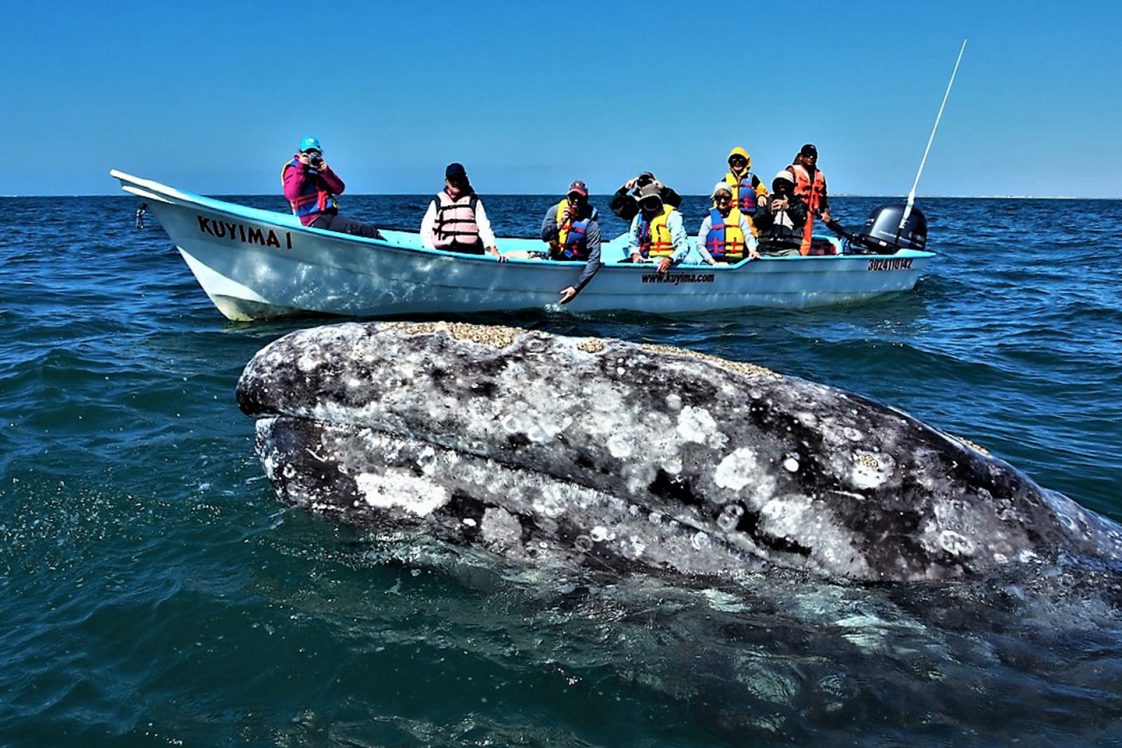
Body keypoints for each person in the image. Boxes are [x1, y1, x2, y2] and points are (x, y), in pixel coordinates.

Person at [281, 136, 383, 238]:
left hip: (329, 217)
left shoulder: (318, 169)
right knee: (362, 229)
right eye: (308, 152)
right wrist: (301, 167)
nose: (311, 156)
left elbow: (339, 189)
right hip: (314, 220)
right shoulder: (294, 170)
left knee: (367, 230)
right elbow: (291, 194)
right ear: (301, 154)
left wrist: (326, 172)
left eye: (315, 153)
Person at [538, 180, 603, 304]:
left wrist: (576, 288)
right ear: (567, 197)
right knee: (515, 255)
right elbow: (545, 236)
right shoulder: (555, 211)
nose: (576, 201)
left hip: (576, 262)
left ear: (586, 200)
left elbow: (595, 260)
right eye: (573, 197)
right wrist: (560, 224)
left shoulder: (591, 225)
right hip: (554, 257)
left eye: (580, 198)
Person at [420, 162, 500, 257]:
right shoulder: (437, 202)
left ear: (464, 179)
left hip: (469, 253)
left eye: (459, 179)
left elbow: (484, 228)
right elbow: (425, 230)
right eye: (452, 179)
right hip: (441, 252)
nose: (456, 182)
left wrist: (492, 248)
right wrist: (432, 252)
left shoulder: (473, 201)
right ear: (446, 181)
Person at [626, 183, 690, 273]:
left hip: (670, 259)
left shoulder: (672, 216)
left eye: (653, 200)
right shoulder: (638, 218)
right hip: (646, 259)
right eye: (647, 201)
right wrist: (635, 254)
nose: (650, 204)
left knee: (691, 261)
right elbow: (632, 243)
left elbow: (683, 245)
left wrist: (670, 259)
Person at [696, 183, 759, 265]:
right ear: (714, 199)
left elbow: (748, 236)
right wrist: (712, 262)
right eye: (718, 198)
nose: (722, 201)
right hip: (712, 261)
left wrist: (752, 250)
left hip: (735, 262)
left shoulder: (741, 217)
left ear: (730, 199)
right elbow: (700, 245)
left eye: (726, 197)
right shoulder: (708, 220)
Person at [752, 171, 808, 256]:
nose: (782, 186)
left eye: (785, 184)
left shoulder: (798, 203)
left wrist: (788, 208)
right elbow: (758, 223)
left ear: (791, 186)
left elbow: (801, 220)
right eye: (779, 183)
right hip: (766, 248)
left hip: (790, 249)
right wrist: (771, 214)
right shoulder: (766, 202)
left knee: (794, 257)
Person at [787, 143, 830, 255]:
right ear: (801, 156)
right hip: (791, 212)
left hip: (809, 215)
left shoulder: (820, 176)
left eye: (813, 155)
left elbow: (823, 199)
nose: (811, 157)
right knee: (789, 240)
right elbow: (780, 188)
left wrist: (825, 213)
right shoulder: (792, 170)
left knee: (806, 243)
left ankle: (801, 263)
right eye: (807, 155)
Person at [722, 146, 769, 235]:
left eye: (741, 160)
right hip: (730, 219)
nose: (737, 162)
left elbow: (761, 189)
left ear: (746, 162)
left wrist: (761, 195)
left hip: (749, 221)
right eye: (734, 160)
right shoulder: (726, 180)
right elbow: (718, 198)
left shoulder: (752, 178)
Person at [609, 171, 682, 221]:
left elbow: (676, 202)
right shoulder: (632, 202)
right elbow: (615, 205)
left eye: (648, 182)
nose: (645, 185)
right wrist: (624, 189)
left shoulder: (662, 200)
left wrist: (663, 189)